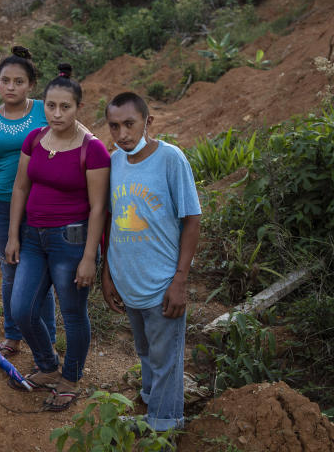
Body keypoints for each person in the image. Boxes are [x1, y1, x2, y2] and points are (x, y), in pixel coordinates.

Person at [5, 63, 110, 411]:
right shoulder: (34, 139)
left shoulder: (92, 150)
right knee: (22, 309)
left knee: (73, 312)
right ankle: (48, 366)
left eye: (65, 106)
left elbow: (98, 208)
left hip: (71, 242)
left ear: (79, 107)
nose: (56, 113)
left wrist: (88, 257)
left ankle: (71, 377)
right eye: (50, 105)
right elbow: (21, 187)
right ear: (43, 104)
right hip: (32, 238)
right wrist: (13, 236)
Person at [102, 91, 201, 433]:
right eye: (114, 127)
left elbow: (191, 220)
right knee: (146, 351)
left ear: (148, 121)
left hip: (162, 285)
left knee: (166, 360)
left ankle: (164, 428)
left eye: (129, 124)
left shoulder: (171, 159)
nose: (122, 134)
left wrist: (180, 280)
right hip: (129, 282)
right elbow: (111, 221)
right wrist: (108, 273)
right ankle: (151, 403)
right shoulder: (113, 162)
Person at [0, 46, 56, 357]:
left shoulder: (44, 111)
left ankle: (46, 338)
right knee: (10, 270)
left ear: (31, 85)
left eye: (18, 81)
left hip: (41, 203)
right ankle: (12, 335)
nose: (11, 87)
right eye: (5, 81)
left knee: (41, 272)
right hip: (1, 204)